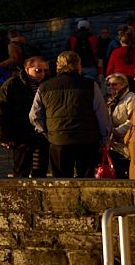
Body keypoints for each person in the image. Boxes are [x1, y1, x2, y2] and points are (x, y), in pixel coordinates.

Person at [29, 51, 110, 180]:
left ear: (58, 65)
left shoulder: (45, 87)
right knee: (86, 180)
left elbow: (34, 115)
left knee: (62, 181)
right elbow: (101, 114)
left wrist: (47, 132)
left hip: (58, 140)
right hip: (87, 139)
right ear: (78, 65)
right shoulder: (90, 85)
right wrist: (104, 137)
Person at [0, 56, 50, 179]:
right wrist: (3, 136)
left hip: (42, 136)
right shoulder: (13, 84)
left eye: (45, 70)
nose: (42, 74)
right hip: (21, 136)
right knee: (21, 172)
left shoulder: (47, 85)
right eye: (38, 70)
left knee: (40, 172)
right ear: (27, 69)